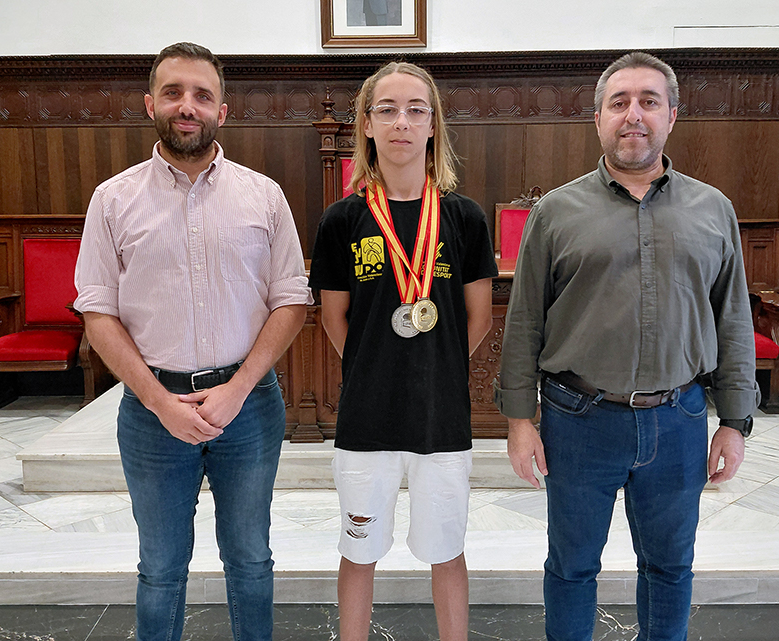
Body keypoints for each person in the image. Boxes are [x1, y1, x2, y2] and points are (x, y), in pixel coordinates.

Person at [495, 51, 759, 641]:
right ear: (598, 120)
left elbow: (733, 320)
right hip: (578, 418)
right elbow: (524, 321)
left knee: (669, 566)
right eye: (619, 103)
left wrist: (735, 421)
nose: (633, 115)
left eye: (648, 102)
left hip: (679, 417)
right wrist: (519, 419)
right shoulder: (556, 212)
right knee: (571, 567)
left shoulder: (713, 209)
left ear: (671, 116)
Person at [74, 42, 312, 641]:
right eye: (175, 93)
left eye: (202, 95)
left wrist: (238, 388)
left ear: (222, 111)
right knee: (160, 569)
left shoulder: (263, 195)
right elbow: (98, 312)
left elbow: (290, 300)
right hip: (152, 411)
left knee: (251, 559)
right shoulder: (113, 199)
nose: (188, 106)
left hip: (249, 407)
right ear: (151, 103)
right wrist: (157, 400)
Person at [309, 61, 498, 641]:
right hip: (366, 417)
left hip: (441, 417)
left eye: (417, 109)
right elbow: (334, 318)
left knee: (447, 549)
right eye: (386, 109)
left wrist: (434, 366)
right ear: (366, 124)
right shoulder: (342, 219)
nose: (401, 122)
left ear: (433, 124)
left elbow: (480, 316)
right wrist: (375, 366)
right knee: (358, 549)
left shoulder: (463, 217)